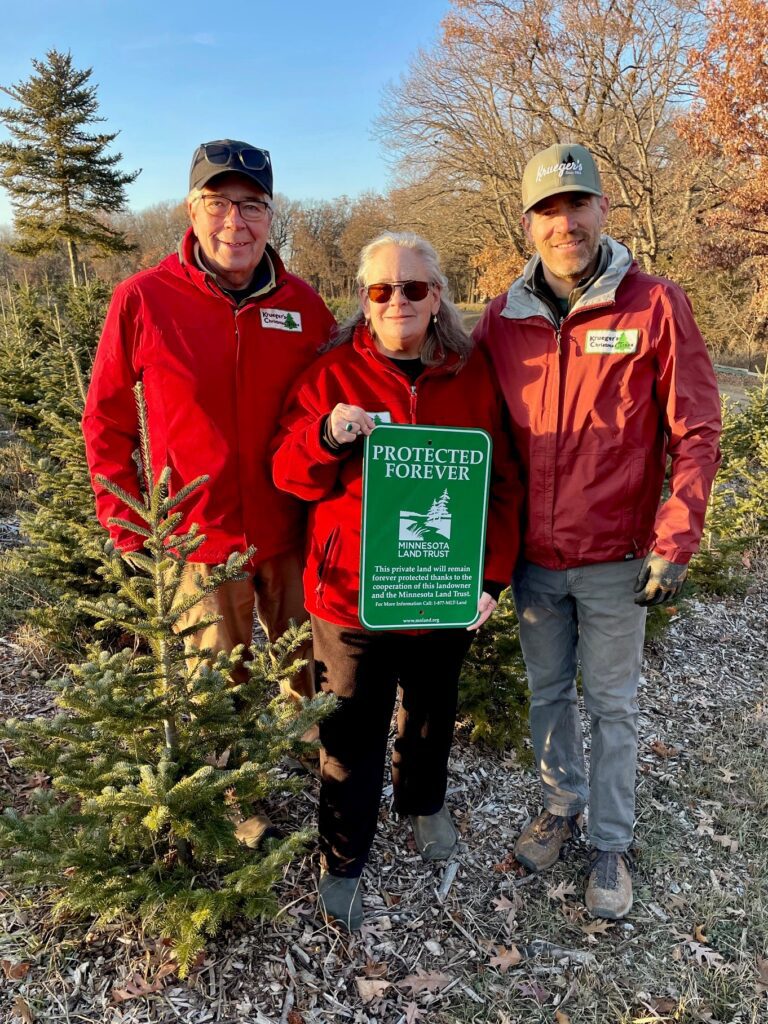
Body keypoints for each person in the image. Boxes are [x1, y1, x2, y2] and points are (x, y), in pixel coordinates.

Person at [474, 143, 722, 920]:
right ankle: (561, 805)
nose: (565, 223)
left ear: (602, 210)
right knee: (548, 694)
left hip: (618, 559)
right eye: (548, 210)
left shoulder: (654, 304)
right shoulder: (502, 319)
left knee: (612, 705)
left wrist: (675, 539)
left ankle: (611, 842)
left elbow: (698, 428)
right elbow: (469, 421)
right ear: (528, 224)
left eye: (577, 205)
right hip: (536, 565)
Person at [82, 139, 336, 843]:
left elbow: (343, 395)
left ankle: (314, 756)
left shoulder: (302, 305)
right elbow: (104, 421)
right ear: (192, 209)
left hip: (291, 529)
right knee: (213, 680)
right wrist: (129, 524)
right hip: (198, 537)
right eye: (219, 203)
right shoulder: (144, 298)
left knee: (304, 664)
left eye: (252, 206)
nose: (236, 222)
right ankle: (229, 795)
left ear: (271, 215)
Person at [273, 232, 522, 930]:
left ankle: (422, 802)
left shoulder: (471, 375)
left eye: (414, 288)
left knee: (432, 710)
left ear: (436, 296)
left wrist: (492, 578)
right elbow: (287, 474)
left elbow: (503, 483)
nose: (398, 301)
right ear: (364, 298)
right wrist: (325, 435)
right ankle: (343, 853)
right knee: (349, 729)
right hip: (350, 595)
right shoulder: (330, 375)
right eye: (382, 289)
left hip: (441, 590)